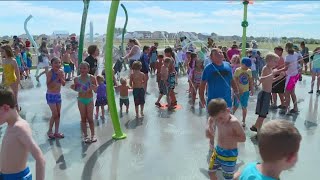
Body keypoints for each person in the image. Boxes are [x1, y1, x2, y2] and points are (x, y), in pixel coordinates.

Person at [0, 85, 45, 180]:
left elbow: (40, 158)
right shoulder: (11, 125)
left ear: (5, 108)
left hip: (17, 177)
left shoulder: (20, 127)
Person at [206, 98, 246, 180]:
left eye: (220, 118)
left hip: (230, 155)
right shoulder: (217, 116)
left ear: (227, 110)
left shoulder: (234, 123)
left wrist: (231, 138)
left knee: (228, 178)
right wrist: (209, 127)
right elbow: (211, 118)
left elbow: (243, 138)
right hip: (217, 151)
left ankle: (238, 175)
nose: (219, 121)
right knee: (211, 172)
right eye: (216, 119)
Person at [250, 53, 285, 132]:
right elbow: (261, 79)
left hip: (268, 94)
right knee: (262, 114)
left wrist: (279, 77)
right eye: (275, 61)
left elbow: (271, 81)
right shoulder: (265, 68)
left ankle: (256, 126)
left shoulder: (270, 69)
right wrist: (271, 74)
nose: (276, 63)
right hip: (264, 93)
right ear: (269, 61)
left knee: (263, 114)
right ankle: (258, 129)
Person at [71, 62, 98, 143]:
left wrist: (94, 88)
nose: (82, 70)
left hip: (89, 99)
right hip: (81, 100)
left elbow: (96, 90)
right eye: (81, 68)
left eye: (84, 68)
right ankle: (85, 135)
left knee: (90, 118)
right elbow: (76, 89)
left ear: (88, 69)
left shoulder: (92, 78)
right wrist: (73, 88)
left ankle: (93, 135)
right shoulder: (76, 79)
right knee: (83, 118)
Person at [46, 57, 66, 139]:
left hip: (58, 95)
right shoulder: (50, 73)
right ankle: (50, 131)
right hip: (50, 95)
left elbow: (64, 84)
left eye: (59, 63)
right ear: (52, 64)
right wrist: (57, 78)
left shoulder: (61, 71)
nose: (58, 64)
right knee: (55, 114)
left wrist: (61, 77)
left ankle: (56, 132)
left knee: (58, 114)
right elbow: (49, 86)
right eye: (55, 63)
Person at [232, 57, 254, 127]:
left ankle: (243, 120)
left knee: (244, 106)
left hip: (245, 92)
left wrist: (252, 88)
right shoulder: (238, 70)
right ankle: (230, 117)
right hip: (238, 92)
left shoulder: (249, 71)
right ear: (242, 64)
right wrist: (237, 89)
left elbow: (250, 80)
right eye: (246, 66)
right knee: (235, 105)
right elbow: (235, 80)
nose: (247, 67)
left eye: (248, 66)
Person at [1, 45, 20, 111]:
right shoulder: (3, 60)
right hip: (6, 82)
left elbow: (17, 72)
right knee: (6, 100)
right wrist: (2, 82)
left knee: (14, 100)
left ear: (7, 51)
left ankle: (18, 114)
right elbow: (4, 72)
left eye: (2, 51)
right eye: (1, 51)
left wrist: (17, 83)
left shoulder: (13, 60)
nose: (1, 52)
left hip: (13, 81)